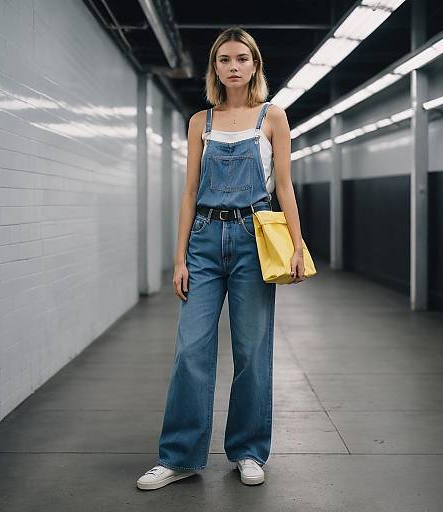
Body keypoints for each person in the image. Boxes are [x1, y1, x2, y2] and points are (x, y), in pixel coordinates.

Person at [136, 26, 306, 491]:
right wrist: (179, 258)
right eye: (225, 59)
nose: (234, 66)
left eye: (242, 59)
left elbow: (285, 186)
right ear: (215, 67)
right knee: (191, 349)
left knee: (252, 351)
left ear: (255, 65)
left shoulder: (272, 117)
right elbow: (189, 192)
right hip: (206, 240)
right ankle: (180, 456)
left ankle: (249, 451)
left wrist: (297, 245)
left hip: (255, 236)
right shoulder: (200, 122)